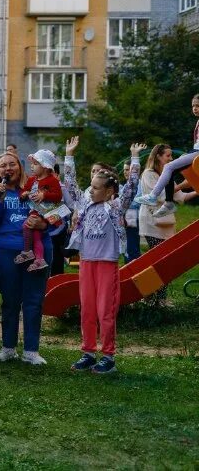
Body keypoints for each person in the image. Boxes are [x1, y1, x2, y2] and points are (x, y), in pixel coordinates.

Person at [65, 137, 145, 374]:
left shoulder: (116, 206)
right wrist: (69, 155)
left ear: (109, 190)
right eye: (91, 185)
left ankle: (108, 356)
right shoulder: (85, 203)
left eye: (97, 187)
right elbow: (70, 185)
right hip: (87, 262)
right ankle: (88, 352)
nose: (91, 189)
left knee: (105, 311)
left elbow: (131, 185)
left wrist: (135, 158)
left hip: (107, 265)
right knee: (88, 309)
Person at [0, 151, 50, 366]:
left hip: (36, 253)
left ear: (20, 168)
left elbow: (57, 217)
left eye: (12, 164)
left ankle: (31, 350)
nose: (7, 169)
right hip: (6, 252)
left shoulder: (34, 190)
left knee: (33, 301)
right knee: (10, 301)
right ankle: (8, 348)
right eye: (3, 166)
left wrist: (45, 224)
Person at [135, 144, 197, 305]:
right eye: (168, 156)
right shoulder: (149, 174)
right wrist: (183, 184)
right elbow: (160, 196)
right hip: (153, 224)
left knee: (165, 264)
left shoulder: (165, 176)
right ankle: (152, 297)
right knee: (159, 263)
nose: (171, 159)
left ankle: (158, 298)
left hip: (166, 225)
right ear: (158, 157)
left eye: (171, 155)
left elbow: (181, 197)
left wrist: (196, 190)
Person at [135, 93, 199, 217]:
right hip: (195, 151)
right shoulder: (197, 122)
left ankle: (153, 196)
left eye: (198, 106)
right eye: (193, 106)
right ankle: (169, 203)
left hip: (197, 153)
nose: (195, 108)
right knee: (170, 170)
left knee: (168, 167)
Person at [15, 149, 63, 272]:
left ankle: (27, 252)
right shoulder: (31, 180)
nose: (32, 166)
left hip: (45, 212)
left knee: (26, 226)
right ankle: (39, 259)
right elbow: (23, 192)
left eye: (35, 164)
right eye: (32, 163)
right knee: (36, 235)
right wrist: (24, 194)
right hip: (34, 210)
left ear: (46, 167)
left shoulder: (53, 180)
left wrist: (45, 195)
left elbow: (58, 196)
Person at [121, 160, 141, 263]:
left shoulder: (139, 184)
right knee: (127, 245)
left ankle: (134, 267)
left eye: (128, 169)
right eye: (124, 169)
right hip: (125, 218)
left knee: (132, 245)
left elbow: (137, 201)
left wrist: (123, 205)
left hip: (133, 217)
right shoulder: (125, 186)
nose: (125, 172)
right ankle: (127, 265)